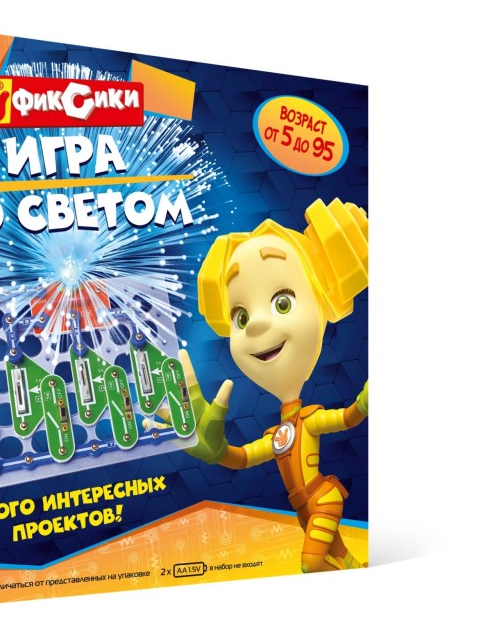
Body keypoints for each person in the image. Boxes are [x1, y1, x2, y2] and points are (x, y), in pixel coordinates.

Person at [148, 198, 369, 572]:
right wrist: (216, 450)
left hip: (323, 499)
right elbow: (245, 457)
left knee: (312, 565)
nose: (254, 326)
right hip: (304, 508)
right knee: (344, 558)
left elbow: (345, 419)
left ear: (323, 299)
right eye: (240, 316)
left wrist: (364, 402)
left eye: (283, 303)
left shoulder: (309, 421)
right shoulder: (279, 434)